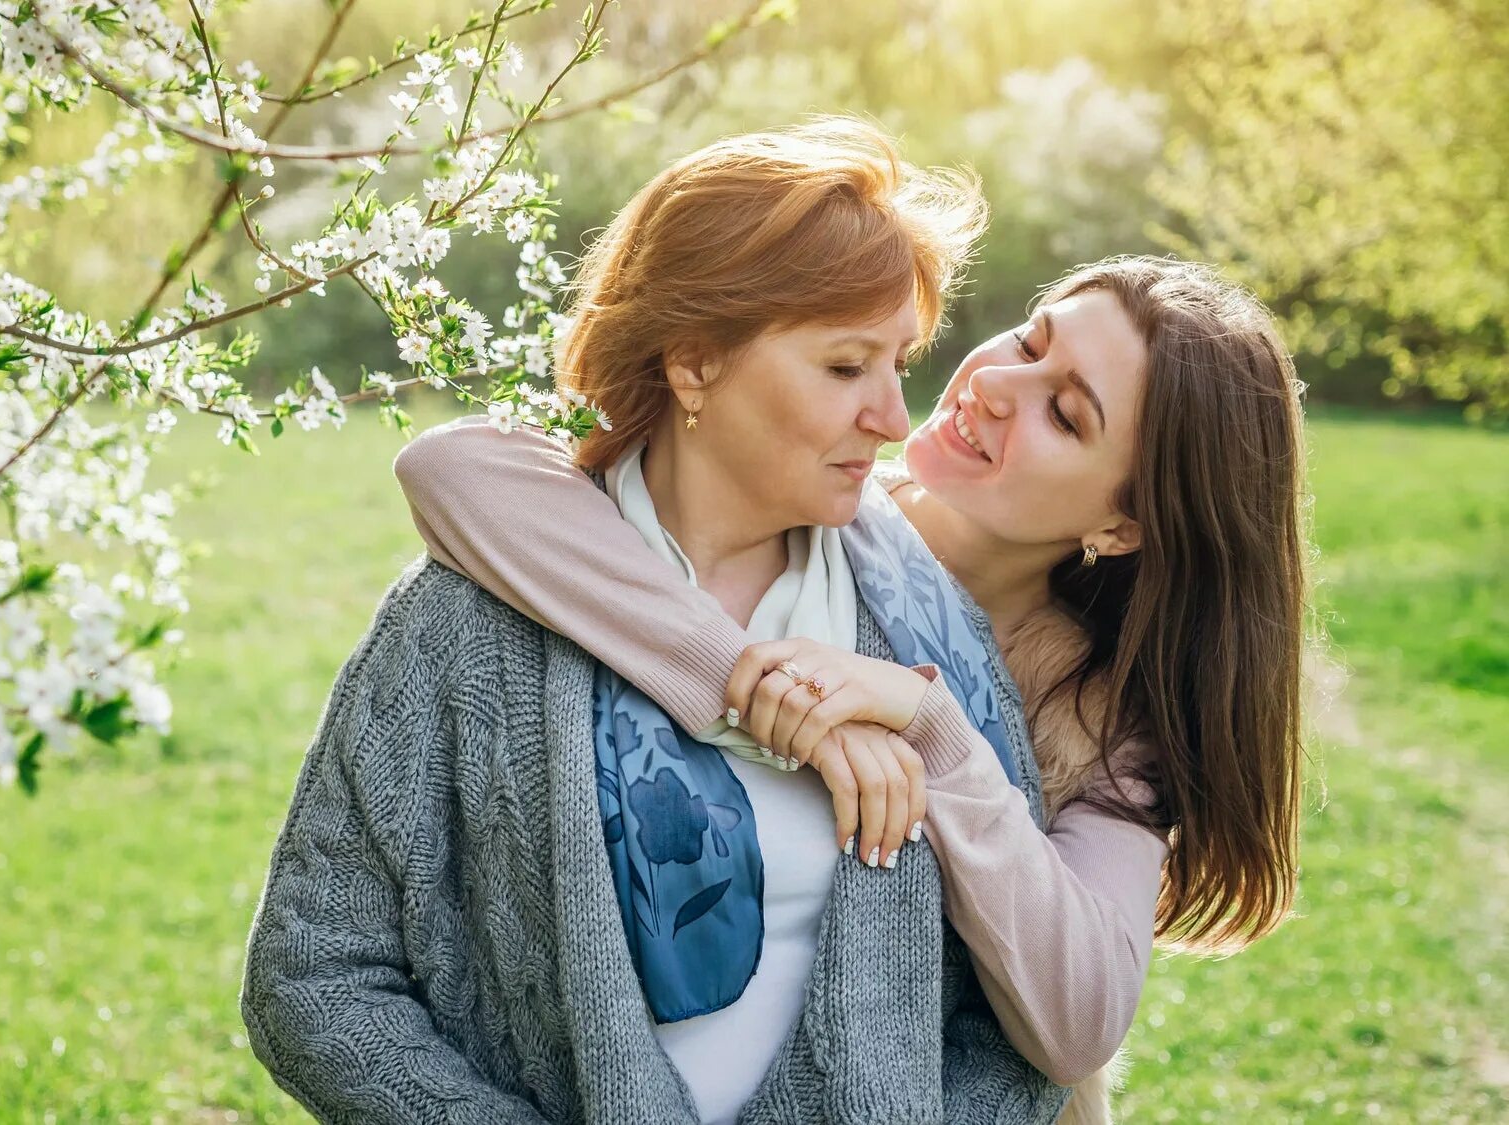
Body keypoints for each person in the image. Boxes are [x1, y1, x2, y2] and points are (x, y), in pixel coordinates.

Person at [242, 118, 1073, 1124]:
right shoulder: (464, 622)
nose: (893, 419)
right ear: (692, 366)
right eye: (845, 367)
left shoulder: (926, 633)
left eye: (899, 364)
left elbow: (1015, 1025)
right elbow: (313, 974)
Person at [393, 256, 1311, 1123]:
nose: (996, 384)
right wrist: (760, 687)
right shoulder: (812, 500)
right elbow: (450, 467)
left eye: (1065, 413)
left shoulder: (1098, 717)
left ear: (1121, 524)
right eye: (1031, 342)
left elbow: (1079, 1020)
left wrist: (932, 729)